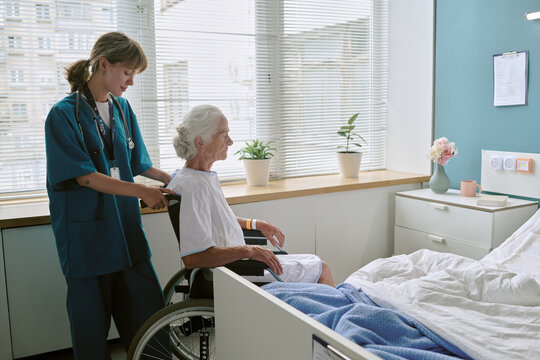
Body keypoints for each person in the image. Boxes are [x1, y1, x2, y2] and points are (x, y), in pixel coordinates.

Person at [45, 32, 173, 359]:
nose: (131, 81)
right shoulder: (63, 115)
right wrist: (141, 192)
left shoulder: (122, 108)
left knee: (148, 316)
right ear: (104, 64)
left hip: (126, 231)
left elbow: (137, 162)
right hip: (87, 238)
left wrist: (177, 179)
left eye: (134, 74)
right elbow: (85, 177)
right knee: (91, 330)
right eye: (128, 72)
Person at [166, 105, 335, 286]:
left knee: (314, 262)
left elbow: (217, 220)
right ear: (200, 142)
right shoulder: (194, 186)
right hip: (236, 272)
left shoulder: (198, 178)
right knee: (321, 269)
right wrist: (250, 251)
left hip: (239, 264)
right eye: (224, 135)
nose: (230, 141)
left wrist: (254, 224)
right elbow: (195, 257)